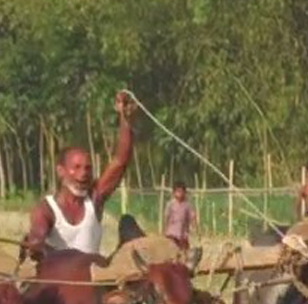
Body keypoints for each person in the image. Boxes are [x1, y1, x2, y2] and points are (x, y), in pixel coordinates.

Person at [23, 90, 137, 257]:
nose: (84, 173)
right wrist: (35, 242)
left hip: (93, 279)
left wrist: (125, 119)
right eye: (76, 167)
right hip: (56, 280)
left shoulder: (95, 198)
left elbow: (120, 162)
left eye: (88, 168)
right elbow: (37, 234)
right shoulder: (46, 209)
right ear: (60, 171)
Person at [162, 181, 197, 249]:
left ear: (184, 193)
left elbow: (192, 216)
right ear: (174, 193)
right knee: (172, 250)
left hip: (183, 233)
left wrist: (194, 226)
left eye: (181, 191)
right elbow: (166, 217)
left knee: (184, 250)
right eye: (178, 191)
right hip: (172, 232)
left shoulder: (187, 205)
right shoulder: (170, 204)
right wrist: (164, 230)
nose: (180, 194)